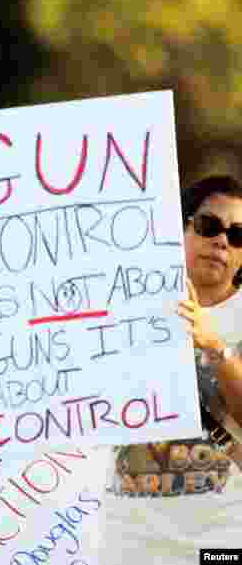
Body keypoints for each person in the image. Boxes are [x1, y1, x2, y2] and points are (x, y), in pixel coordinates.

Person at [99, 174, 242, 564]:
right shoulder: (123, 305)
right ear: (180, 227)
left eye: (238, 234)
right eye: (209, 225)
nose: (221, 241)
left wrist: (213, 345)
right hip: (131, 536)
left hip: (224, 538)